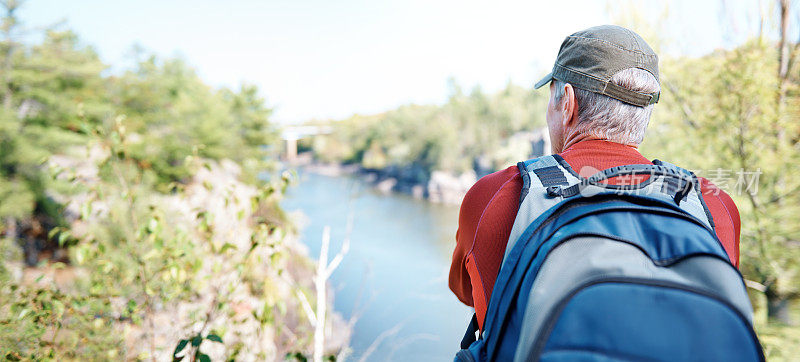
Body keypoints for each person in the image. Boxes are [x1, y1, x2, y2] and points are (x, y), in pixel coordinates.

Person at [448, 25, 741, 333]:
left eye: (551, 98)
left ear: (567, 103)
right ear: (645, 114)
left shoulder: (497, 196)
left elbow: (467, 292)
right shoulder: (712, 204)